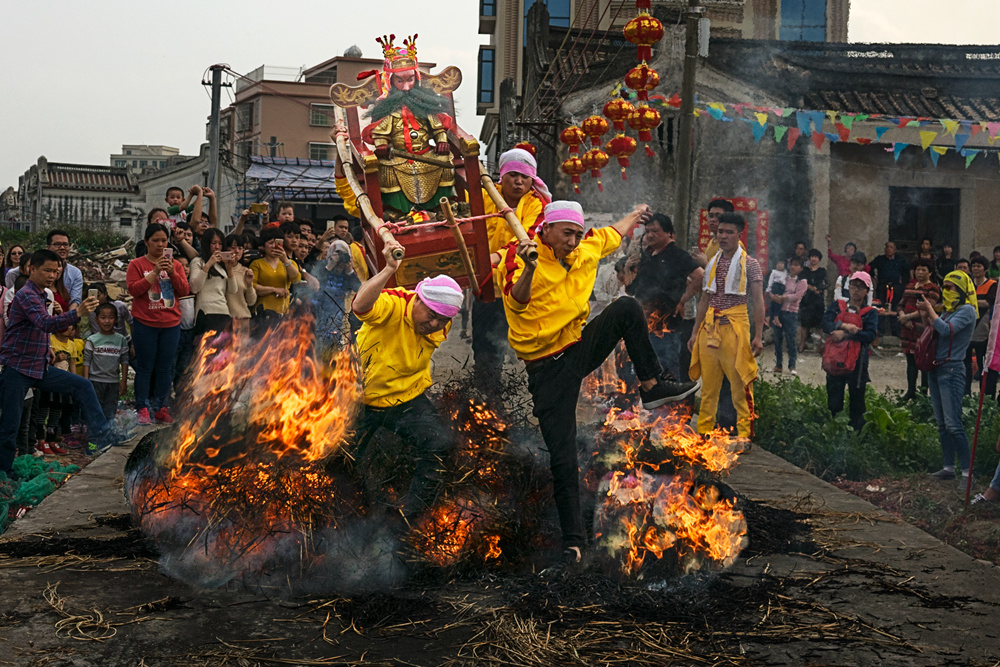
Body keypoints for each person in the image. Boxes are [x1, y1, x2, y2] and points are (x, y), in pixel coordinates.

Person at [499, 200, 699, 568]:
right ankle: (573, 543)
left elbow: (613, 234)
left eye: (577, 234)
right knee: (562, 458)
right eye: (566, 233)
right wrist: (528, 267)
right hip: (547, 371)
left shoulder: (585, 246)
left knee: (626, 309)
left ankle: (652, 384)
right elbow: (518, 298)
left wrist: (636, 212)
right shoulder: (520, 256)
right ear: (546, 229)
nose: (573, 241)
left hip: (577, 348)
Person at [351, 241, 459, 518]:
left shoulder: (441, 321)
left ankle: (411, 517)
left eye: (443, 320)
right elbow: (360, 307)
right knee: (342, 461)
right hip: (359, 398)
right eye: (431, 315)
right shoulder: (394, 303)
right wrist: (389, 268)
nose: (435, 324)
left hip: (407, 398)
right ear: (418, 299)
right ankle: (353, 516)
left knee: (438, 446)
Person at [0, 249, 111, 473]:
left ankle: (103, 433)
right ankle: (4, 472)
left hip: (38, 366)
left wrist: (47, 348)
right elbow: (44, 323)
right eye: (47, 270)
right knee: (10, 426)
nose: (52, 275)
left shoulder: (42, 294)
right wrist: (77, 312)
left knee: (82, 385)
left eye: (56, 271)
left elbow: (37, 329)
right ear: (32, 270)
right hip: (17, 368)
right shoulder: (27, 294)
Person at [689, 212, 764, 438]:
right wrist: (694, 332)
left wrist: (759, 335)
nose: (723, 236)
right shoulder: (712, 262)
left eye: (729, 232)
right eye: (720, 231)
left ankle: (744, 436)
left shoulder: (751, 264)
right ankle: (703, 432)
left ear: (739, 235)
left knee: (740, 386)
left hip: (735, 326)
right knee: (709, 388)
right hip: (710, 327)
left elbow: (759, 301)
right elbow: (704, 299)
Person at [623, 212, 704, 379]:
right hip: (644, 323)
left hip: (665, 326)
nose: (650, 235)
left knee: (666, 370)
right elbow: (635, 288)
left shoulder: (677, 255)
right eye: (648, 231)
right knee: (643, 372)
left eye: (655, 231)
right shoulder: (648, 255)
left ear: (668, 233)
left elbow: (700, 277)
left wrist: (682, 300)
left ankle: (670, 405)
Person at [918, 271, 978, 488]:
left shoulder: (967, 311)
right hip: (936, 369)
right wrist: (926, 314)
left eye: (950, 287)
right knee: (942, 423)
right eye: (944, 286)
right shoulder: (949, 311)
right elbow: (932, 329)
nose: (946, 291)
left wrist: (932, 312)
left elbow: (945, 330)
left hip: (951, 370)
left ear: (961, 290)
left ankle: (967, 472)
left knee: (954, 424)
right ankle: (948, 468)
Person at [127, 223, 190, 425]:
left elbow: (184, 290)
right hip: (145, 323)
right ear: (146, 242)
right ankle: (142, 407)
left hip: (170, 323)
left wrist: (172, 272)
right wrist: (154, 272)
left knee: (165, 368)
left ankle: (162, 408)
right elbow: (134, 290)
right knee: (145, 368)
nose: (160, 244)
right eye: (156, 240)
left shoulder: (176, 265)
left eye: (164, 241)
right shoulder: (136, 264)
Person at [821, 271, 878, 431]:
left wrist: (845, 334)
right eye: (853, 285)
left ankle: (857, 437)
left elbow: (870, 335)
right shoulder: (837, 305)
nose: (856, 290)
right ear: (848, 287)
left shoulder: (871, 313)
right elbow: (825, 324)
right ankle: (834, 431)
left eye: (861, 287)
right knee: (834, 400)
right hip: (835, 360)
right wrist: (844, 326)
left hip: (858, 363)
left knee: (857, 402)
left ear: (867, 291)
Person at [897, 258, 942, 400]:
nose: (920, 272)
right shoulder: (910, 285)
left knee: (923, 359)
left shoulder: (933, 288)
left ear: (930, 272)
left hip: (922, 328)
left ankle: (923, 392)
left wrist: (909, 317)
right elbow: (900, 304)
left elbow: (930, 306)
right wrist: (903, 316)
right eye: (917, 269)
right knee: (910, 360)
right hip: (907, 329)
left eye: (923, 270)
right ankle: (911, 389)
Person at [82, 303, 129, 422]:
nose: (107, 321)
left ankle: (107, 438)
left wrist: (123, 381)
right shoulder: (92, 340)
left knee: (110, 413)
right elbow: (86, 362)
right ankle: (94, 439)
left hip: (113, 383)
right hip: (95, 382)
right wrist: (86, 383)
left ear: (116, 319)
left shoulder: (121, 340)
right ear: (96, 320)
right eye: (103, 317)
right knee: (94, 412)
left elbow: (124, 361)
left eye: (111, 317)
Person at [188, 229, 239, 335]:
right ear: (207, 244)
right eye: (214, 243)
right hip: (206, 312)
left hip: (223, 312)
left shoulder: (222, 265)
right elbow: (194, 288)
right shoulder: (198, 262)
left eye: (220, 244)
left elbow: (233, 290)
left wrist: (229, 269)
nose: (217, 247)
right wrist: (208, 264)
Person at [251, 227, 301, 316]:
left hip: (283, 312)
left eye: (278, 243)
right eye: (270, 243)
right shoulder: (257, 264)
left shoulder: (290, 263)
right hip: (262, 312)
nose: (274, 246)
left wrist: (285, 260)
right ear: (264, 245)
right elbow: (252, 286)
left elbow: (296, 279)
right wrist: (274, 290)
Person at [771, 257, 807, 375]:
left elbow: (797, 296)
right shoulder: (783, 277)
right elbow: (775, 286)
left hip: (791, 313)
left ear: (801, 268)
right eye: (792, 264)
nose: (793, 267)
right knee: (777, 338)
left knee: (791, 339)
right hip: (779, 311)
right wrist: (773, 295)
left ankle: (792, 365)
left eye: (796, 265)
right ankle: (778, 364)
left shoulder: (802, 282)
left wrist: (784, 297)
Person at [966, 256, 997, 394]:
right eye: (973, 266)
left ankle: (985, 399)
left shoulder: (992, 285)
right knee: (965, 367)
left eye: (979, 266)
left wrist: (969, 301)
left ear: (986, 269)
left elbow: (988, 303)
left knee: (984, 367)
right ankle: (965, 395)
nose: (976, 269)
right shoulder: (968, 284)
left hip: (984, 331)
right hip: (967, 330)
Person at [870, 241, 910, 335]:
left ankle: (896, 332)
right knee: (881, 307)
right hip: (882, 286)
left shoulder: (900, 260)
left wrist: (902, 283)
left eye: (891, 247)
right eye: (887, 247)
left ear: (895, 250)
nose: (889, 249)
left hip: (896, 287)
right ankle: (880, 332)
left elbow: (907, 271)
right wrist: (874, 277)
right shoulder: (880, 259)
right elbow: (869, 267)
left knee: (895, 307)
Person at [222, 235, 257, 325]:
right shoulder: (218, 269)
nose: (237, 251)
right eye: (233, 248)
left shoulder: (245, 270)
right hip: (222, 319)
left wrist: (249, 285)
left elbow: (251, 301)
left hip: (242, 319)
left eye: (240, 248)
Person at [798, 249, 828, 352]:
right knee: (804, 324)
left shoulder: (822, 271)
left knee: (819, 325)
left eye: (815, 257)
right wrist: (811, 288)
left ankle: (819, 345)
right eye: (812, 256)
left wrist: (819, 289)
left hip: (818, 301)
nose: (813, 259)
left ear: (819, 259)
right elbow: (801, 282)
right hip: (806, 300)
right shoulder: (804, 270)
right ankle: (802, 344)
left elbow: (826, 283)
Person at [765, 259, 787, 328]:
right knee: (777, 302)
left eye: (781, 263)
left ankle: (768, 318)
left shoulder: (786, 272)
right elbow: (770, 281)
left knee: (774, 304)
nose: (779, 265)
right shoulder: (774, 272)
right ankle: (775, 318)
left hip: (782, 288)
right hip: (776, 287)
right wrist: (768, 290)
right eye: (778, 264)